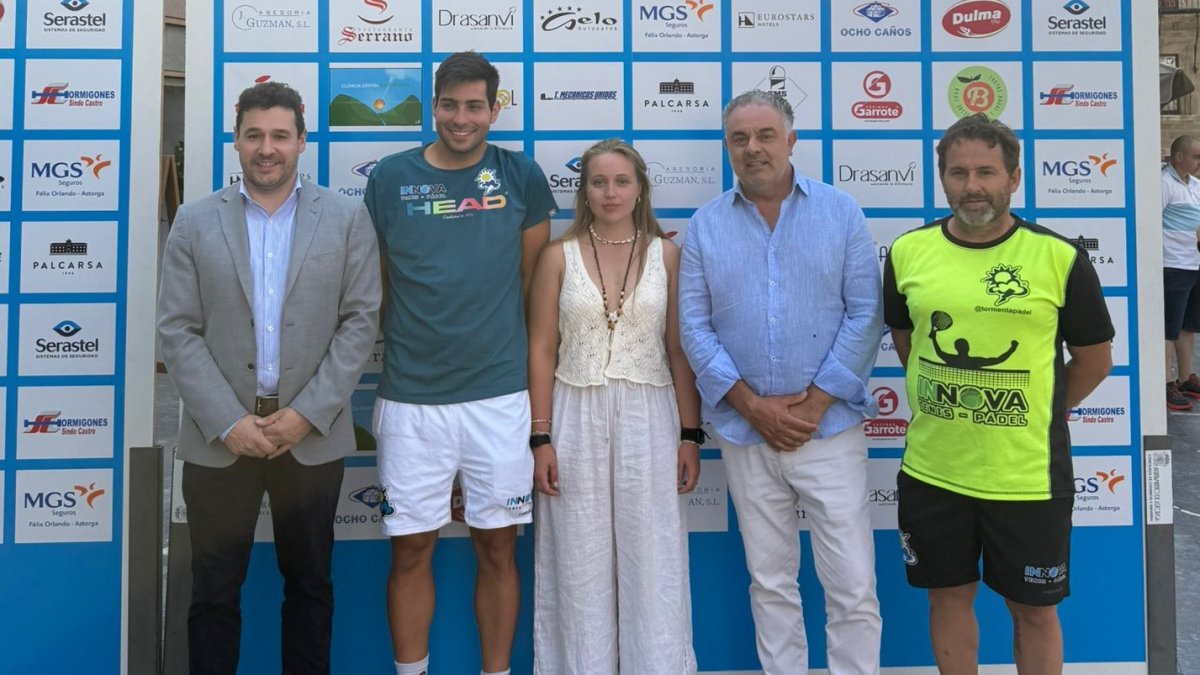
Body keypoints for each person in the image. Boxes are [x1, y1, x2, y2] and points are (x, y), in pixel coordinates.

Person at [157, 81, 381, 675]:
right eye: (254, 135)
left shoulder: (346, 216)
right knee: (212, 595)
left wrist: (306, 414)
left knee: (310, 590)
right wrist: (229, 421)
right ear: (235, 141)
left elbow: (361, 322)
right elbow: (176, 330)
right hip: (218, 439)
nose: (267, 148)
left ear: (302, 141)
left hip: (309, 437)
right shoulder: (195, 219)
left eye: (280, 135)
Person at [883, 113, 1113, 673]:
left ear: (1014, 177)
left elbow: (1094, 360)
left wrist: (1037, 411)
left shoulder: (1058, 258)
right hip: (934, 471)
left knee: (1032, 612)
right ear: (942, 178)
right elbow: (907, 341)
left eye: (986, 172)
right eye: (958, 173)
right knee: (947, 597)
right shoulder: (907, 252)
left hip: (1025, 477)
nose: (972, 186)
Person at [364, 51, 556, 675]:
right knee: (410, 551)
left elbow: (531, 283)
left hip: (498, 397)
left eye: (476, 106)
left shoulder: (521, 176)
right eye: (450, 105)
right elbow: (382, 283)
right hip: (410, 397)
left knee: (497, 549)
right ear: (433, 106)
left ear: (495, 109)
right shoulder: (389, 179)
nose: (461, 118)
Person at [678, 90, 883, 675]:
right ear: (727, 147)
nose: (753, 149)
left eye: (766, 136)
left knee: (852, 584)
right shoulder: (706, 225)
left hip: (831, 432)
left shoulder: (840, 212)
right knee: (770, 583)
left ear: (791, 142)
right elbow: (693, 326)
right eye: (739, 138)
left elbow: (866, 312)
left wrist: (816, 404)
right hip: (747, 436)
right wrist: (750, 405)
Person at [527, 139, 702, 674]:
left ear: (640, 188)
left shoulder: (666, 254)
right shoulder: (556, 255)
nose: (610, 192)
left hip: (650, 414)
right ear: (583, 190)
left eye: (621, 181)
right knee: (576, 561)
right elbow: (540, 347)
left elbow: (678, 349)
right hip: (573, 411)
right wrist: (541, 437)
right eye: (598, 182)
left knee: (653, 559)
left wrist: (690, 436)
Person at [1162, 135, 1200, 411]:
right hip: (1172, 265)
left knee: (1189, 325)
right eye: (1196, 156)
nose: (1199, 162)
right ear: (1179, 157)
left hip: (1194, 264)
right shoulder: (1163, 184)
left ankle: (1186, 378)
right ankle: (1165, 384)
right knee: (1169, 328)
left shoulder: (1196, 186)